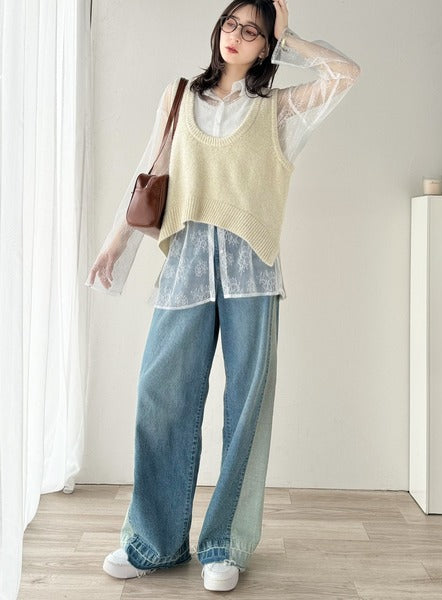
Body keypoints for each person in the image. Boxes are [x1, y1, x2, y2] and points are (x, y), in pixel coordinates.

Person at [87, 0, 361, 592]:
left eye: (252, 31)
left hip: (251, 271)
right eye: (231, 24)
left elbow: (345, 75)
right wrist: (114, 247)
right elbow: (147, 167)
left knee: (246, 410)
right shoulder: (179, 97)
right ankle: (153, 542)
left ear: (265, 45)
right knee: (160, 397)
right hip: (186, 265)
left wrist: (291, 39)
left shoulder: (278, 109)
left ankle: (224, 544)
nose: (236, 36)